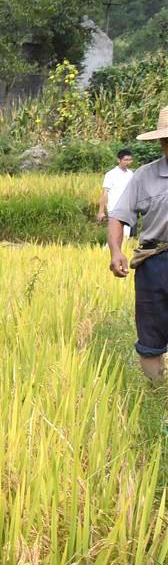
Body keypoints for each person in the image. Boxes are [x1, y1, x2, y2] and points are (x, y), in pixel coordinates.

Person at [107, 110, 168, 385]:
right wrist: (116, 251)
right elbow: (119, 216)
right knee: (151, 337)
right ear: (161, 142)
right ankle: (156, 395)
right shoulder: (145, 176)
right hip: (154, 262)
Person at [101, 148, 137, 240]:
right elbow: (105, 193)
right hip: (115, 209)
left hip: (128, 209)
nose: (128, 162)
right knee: (116, 236)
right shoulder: (111, 174)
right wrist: (101, 211)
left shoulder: (130, 174)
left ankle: (112, 253)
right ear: (118, 160)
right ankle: (104, 253)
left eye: (130, 160)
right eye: (125, 160)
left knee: (125, 236)